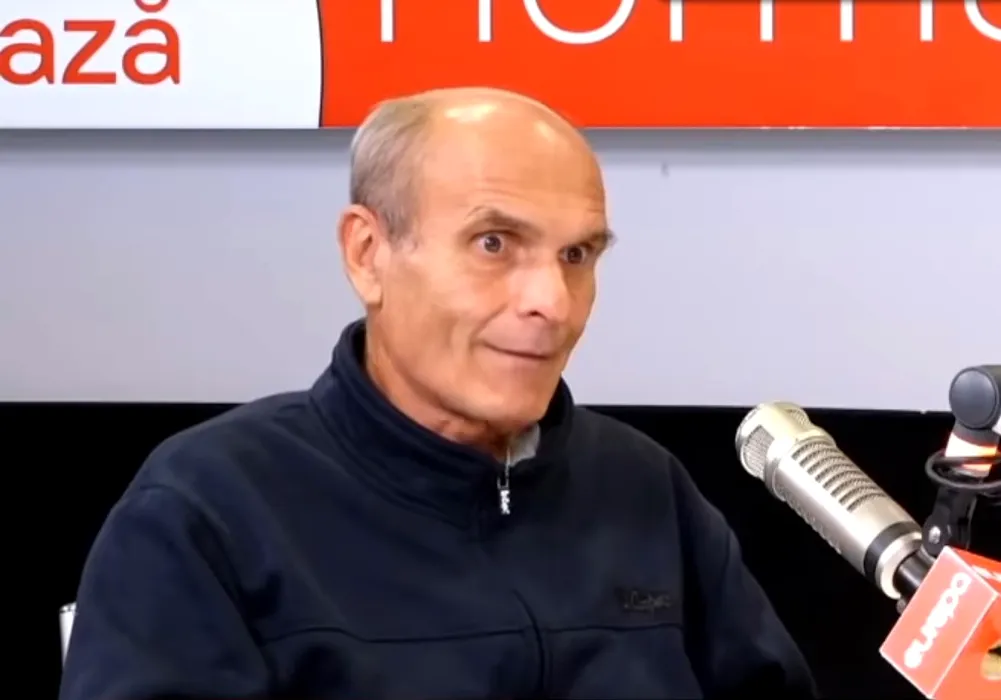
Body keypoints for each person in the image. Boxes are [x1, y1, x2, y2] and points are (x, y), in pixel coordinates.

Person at [59, 87, 817, 699]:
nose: (551, 302)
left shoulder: (645, 488)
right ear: (368, 254)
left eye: (576, 255)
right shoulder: (206, 508)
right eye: (494, 244)